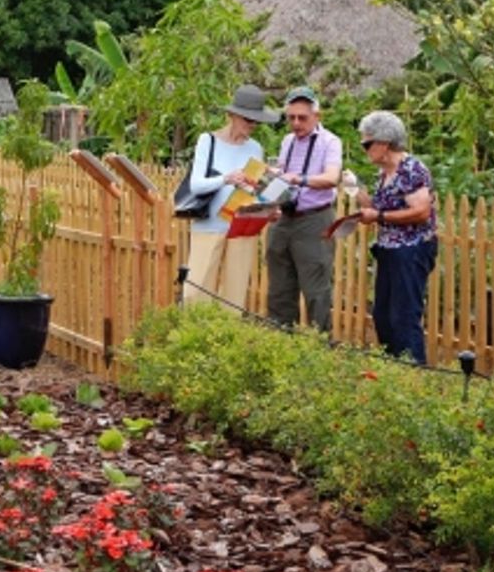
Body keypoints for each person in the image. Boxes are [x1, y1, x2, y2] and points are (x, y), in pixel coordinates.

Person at [183, 84, 281, 311]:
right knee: (195, 294)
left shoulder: (255, 148)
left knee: (233, 299)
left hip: (241, 228)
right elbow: (196, 185)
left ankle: (227, 343)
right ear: (232, 115)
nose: (253, 125)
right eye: (248, 120)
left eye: (257, 121)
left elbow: (252, 191)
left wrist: (268, 207)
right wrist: (226, 179)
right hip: (209, 226)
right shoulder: (208, 141)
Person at [354, 110, 437, 364]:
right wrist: (357, 192)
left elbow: (421, 212)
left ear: (384, 143)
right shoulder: (385, 173)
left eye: (367, 143)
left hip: (411, 250)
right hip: (389, 249)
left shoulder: (411, 169)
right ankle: (394, 373)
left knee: (403, 317)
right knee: (383, 316)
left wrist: (378, 216)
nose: (364, 148)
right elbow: (381, 208)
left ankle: (414, 378)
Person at [265, 86, 343, 332]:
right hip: (284, 219)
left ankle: (319, 348)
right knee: (279, 287)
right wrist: (271, 199)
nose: (296, 123)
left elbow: (332, 177)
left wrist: (299, 179)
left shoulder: (330, 142)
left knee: (316, 290)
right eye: (291, 117)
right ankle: (281, 342)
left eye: (302, 117)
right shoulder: (287, 141)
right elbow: (282, 179)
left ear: (316, 116)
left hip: (314, 219)